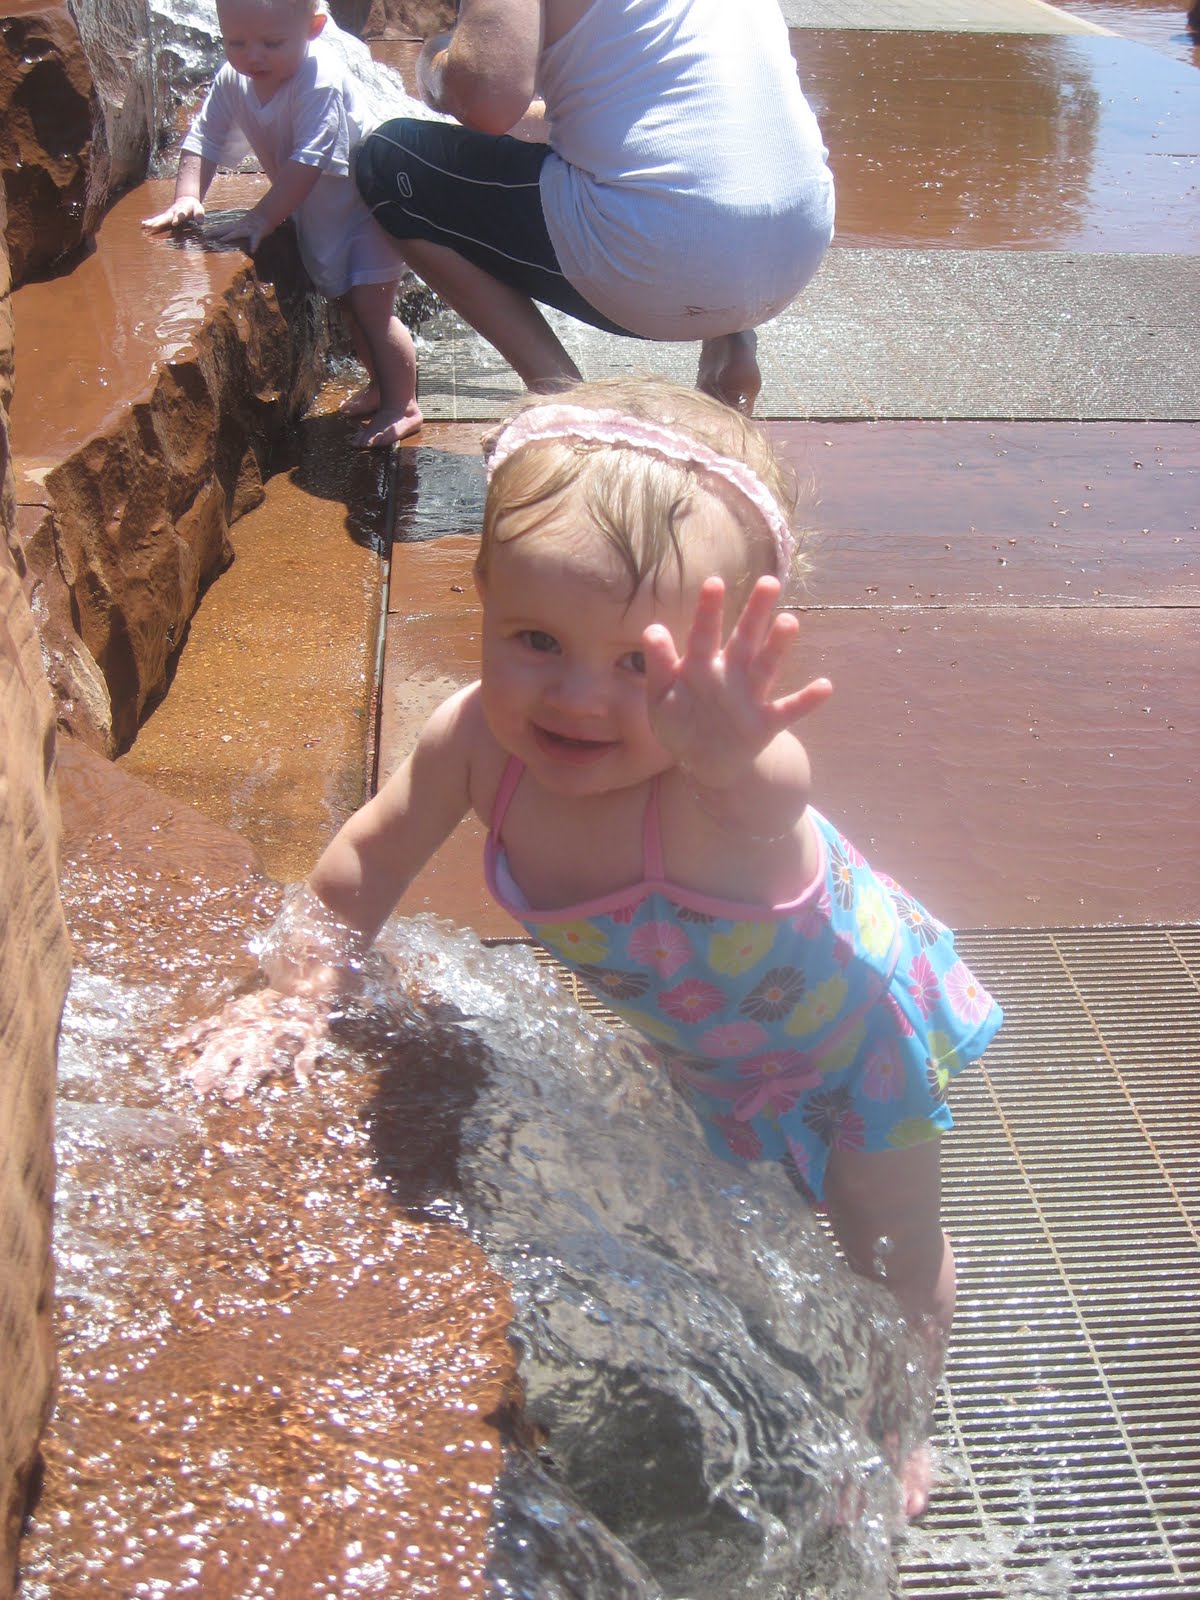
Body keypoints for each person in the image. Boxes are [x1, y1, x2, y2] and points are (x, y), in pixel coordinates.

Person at [179, 376, 1001, 1520]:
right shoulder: (474, 742)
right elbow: (366, 857)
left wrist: (728, 749)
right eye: (536, 639)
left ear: (727, 673)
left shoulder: (713, 782)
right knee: (756, 1221)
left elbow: (775, 800)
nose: (578, 697)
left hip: (854, 1041)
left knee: (888, 1241)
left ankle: (900, 1423)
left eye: (641, 665)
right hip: (708, 1050)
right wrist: (297, 993)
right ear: (480, 595)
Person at [353, 0, 836, 415]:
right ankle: (733, 341)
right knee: (697, 149)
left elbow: (482, 98)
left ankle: (564, 399)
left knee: (387, 159)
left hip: (656, 262)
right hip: (795, 245)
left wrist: (436, 60)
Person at [142, 0, 422, 448]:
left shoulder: (320, 79)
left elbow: (309, 161)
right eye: (237, 42)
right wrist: (188, 195)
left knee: (373, 312)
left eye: (272, 43)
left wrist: (263, 217)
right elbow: (205, 135)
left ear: (313, 28)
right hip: (327, 215)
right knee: (352, 310)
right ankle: (380, 387)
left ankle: (402, 406)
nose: (253, 56)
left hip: (368, 212)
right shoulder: (234, 78)